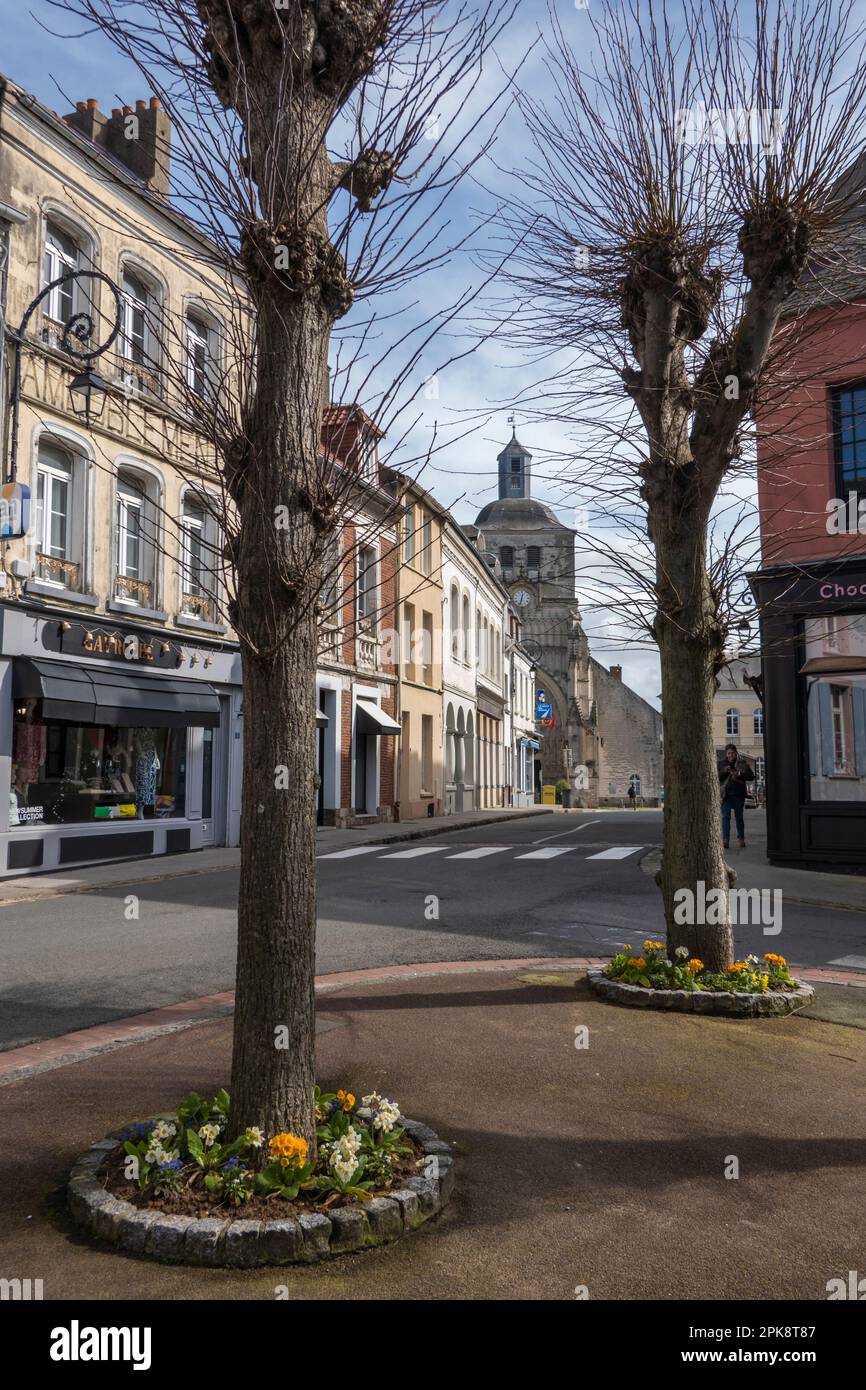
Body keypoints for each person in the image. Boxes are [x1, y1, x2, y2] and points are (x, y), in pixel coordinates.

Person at [719, 743, 754, 849]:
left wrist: (739, 774)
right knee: (725, 817)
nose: (731, 755)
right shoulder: (721, 764)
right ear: (726, 753)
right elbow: (716, 777)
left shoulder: (741, 763)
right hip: (725, 795)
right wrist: (725, 771)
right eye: (729, 753)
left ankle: (741, 839)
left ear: (736, 753)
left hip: (738, 795)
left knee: (739, 817)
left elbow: (751, 777)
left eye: (733, 753)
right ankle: (725, 840)